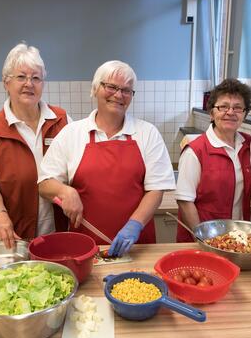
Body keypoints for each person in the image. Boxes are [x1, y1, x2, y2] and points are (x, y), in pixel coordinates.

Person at [37, 60, 175, 257]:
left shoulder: (147, 133)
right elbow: (43, 184)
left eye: (126, 90)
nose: (119, 95)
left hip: (136, 247)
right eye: (111, 87)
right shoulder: (72, 133)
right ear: (95, 89)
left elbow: (156, 189)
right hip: (84, 248)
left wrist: (134, 225)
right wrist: (64, 190)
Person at [0, 43, 70, 249]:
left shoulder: (63, 121)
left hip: (60, 231)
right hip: (13, 236)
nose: (29, 84)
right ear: (6, 83)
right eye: (21, 77)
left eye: (36, 78)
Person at [175, 79, 251, 242]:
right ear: (211, 113)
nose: (230, 112)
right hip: (204, 238)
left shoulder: (249, 145)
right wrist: (202, 239)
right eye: (223, 107)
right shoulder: (196, 151)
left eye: (237, 107)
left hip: (237, 238)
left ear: (244, 114)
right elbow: (185, 200)